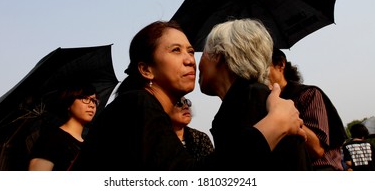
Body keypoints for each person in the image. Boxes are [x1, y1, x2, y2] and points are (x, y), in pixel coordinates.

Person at [71, 20, 306, 171]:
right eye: (176, 50)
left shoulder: (146, 109)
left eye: (192, 51)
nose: (190, 60)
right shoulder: (137, 103)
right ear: (146, 69)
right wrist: (274, 125)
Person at [198, 18, 311, 170]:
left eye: (203, 53)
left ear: (218, 55)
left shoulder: (249, 101)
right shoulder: (257, 98)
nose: (196, 63)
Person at [269, 48, 347, 170]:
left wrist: (283, 113)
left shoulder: (309, 94)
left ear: (281, 64)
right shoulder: (265, 101)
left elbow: (317, 149)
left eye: (264, 65)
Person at [28, 84, 99, 171]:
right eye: (85, 98)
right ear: (69, 103)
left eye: (94, 101)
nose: (92, 105)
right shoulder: (52, 138)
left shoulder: (89, 145)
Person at [168, 96, 214, 161]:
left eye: (187, 102)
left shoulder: (201, 138)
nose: (186, 106)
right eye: (179, 103)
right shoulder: (154, 139)